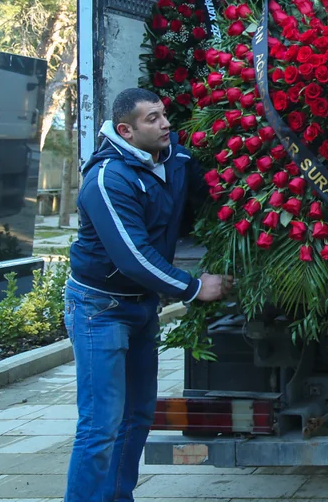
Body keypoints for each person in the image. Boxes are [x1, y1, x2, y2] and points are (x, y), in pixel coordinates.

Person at [65, 88, 232, 502]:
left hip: (141, 306)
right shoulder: (107, 179)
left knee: (137, 417)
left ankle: (118, 497)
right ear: (126, 130)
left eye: (165, 115)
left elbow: (215, 195)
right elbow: (133, 256)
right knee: (101, 424)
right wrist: (193, 287)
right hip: (99, 309)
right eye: (153, 119)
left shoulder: (175, 159)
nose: (166, 124)